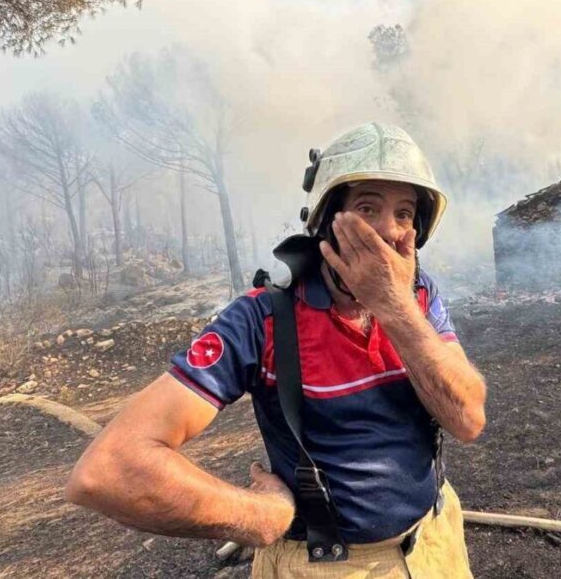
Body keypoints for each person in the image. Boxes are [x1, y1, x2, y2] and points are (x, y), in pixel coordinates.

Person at [67, 122, 486, 578]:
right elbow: (109, 469)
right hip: (327, 567)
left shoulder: (418, 295)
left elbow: (467, 419)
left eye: (405, 214)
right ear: (325, 222)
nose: (389, 231)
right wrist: (258, 518)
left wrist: (394, 306)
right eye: (367, 208)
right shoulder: (264, 319)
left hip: (436, 542)